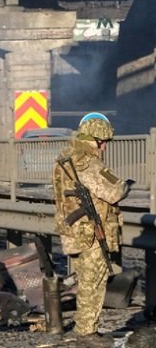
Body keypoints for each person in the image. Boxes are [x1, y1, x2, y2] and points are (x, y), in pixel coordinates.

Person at [52, 112, 132, 343]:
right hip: (89, 232)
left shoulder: (66, 157)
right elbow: (113, 191)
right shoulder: (85, 161)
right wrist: (125, 186)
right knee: (93, 280)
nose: (105, 147)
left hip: (75, 229)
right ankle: (87, 332)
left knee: (87, 279)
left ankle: (85, 328)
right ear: (95, 139)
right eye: (103, 142)